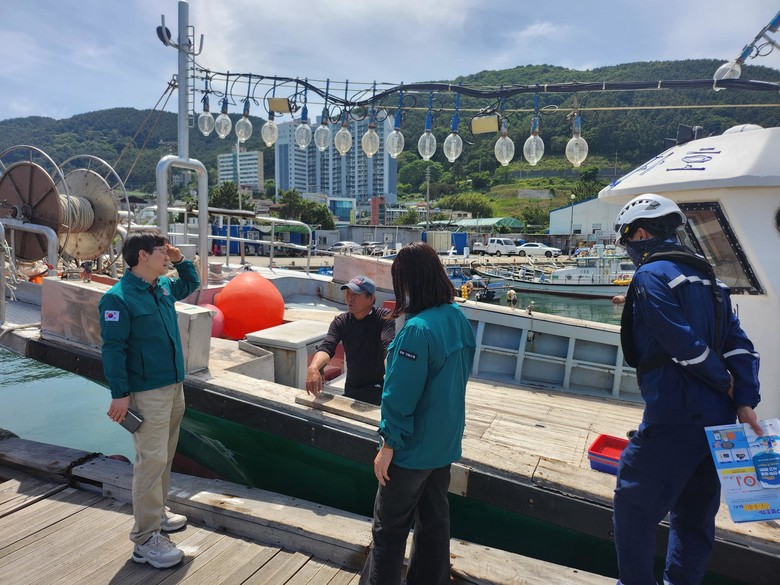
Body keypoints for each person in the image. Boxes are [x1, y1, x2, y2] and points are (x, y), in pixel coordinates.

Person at [612, 193, 761, 585]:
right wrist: (744, 399)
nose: (628, 249)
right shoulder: (710, 279)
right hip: (719, 422)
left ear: (640, 233)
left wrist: (723, 379)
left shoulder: (650, 276)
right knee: (694, 516)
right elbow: (739, 344)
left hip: (674, 415)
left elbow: (680, 343)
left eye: (626, 240)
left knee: (634, 504)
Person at [360, 242, 476, 585]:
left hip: (411, 451)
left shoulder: (416, 330)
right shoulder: (457, 318)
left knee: (389, 530)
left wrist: (388, 445)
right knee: (434, 525)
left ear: (409, 282)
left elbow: (399, 396)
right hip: (444, 446)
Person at [100, 233, 200, 569]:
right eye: (162, 251)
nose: (167, 256)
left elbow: (191, 283)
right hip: (147, 392)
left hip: (173, 386)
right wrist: (119, 394)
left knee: (165, 456)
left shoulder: (162, 287)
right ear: (142, 256)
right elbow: (113, 349)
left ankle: (157, 514)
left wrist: (181, 259)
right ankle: (144, 540)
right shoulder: (118, 298)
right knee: (150, 461)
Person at [306, 275, 395, 405]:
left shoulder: (384, 317)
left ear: (371, 298)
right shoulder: (341, 322)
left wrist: (392, 374)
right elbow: (327, 347)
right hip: (352, 388)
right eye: (348, 293)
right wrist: (313, 367)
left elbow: (388, 347)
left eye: (356, 294)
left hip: (379, 388)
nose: (350, 298)